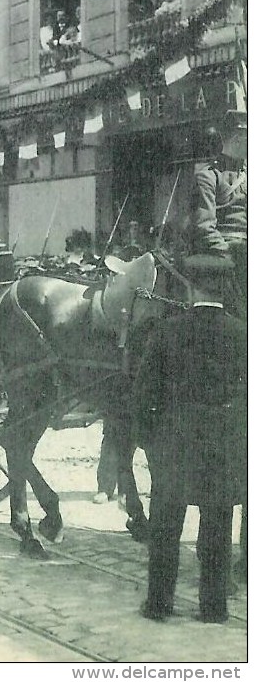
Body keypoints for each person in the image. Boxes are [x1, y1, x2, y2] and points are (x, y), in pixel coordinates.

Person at [134, 255, 247, 623]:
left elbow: (144, 395)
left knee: (166, 528)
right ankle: (214, 609)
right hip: (223, 450)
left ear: (191, 287)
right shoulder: (243, 334)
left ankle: (159, 605)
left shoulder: (167, 332)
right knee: (217, 530)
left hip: (174, 446)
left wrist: (151, 444)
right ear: (224, 288)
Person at [189, 119, 247, 316]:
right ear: (239, 138)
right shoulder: (208, 177)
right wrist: (228, 255)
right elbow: (203, 226)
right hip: (230, 250)